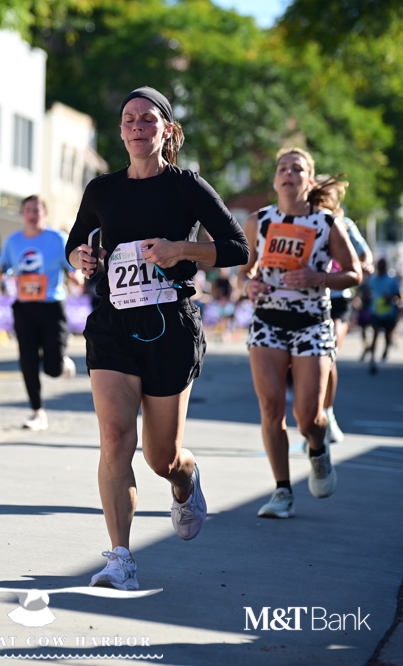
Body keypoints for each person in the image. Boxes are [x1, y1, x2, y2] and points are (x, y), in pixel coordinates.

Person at [66, 87, 249, 589]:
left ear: (167, 129)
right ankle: (120, 559)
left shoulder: (186, 186)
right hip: (113, 326)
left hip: (170, 327)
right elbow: (76, 242)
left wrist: (180, 249)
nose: (137, 126)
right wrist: (81, 257)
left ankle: (185, 480)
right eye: (129, 119)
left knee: (160, 457)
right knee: (114, 439)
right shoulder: (101, 190)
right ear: (120, 130)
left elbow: (238, 248)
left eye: (148, 118)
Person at [242, 147, 363, 520]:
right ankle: (282, 491)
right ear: (275, 180)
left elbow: (355, 273)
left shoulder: (326, 223)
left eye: (297, 168)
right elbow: (244, 270)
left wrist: (318, 277)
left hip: (312, 323)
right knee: (270, 408)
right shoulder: (259, 221)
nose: (288, 173)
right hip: (268, 322)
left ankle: (318, 448)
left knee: (308, 416)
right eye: (283, 168)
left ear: (308, 181)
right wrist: (248, 284)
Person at [299, 176, 372, 451]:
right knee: (310, 363)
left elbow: (365, 255)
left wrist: (364, 265)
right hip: (308, 299)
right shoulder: (300, 222)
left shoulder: (343, 224)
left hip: (338, 299)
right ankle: (314, 420)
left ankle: (326, 413)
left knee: (328, 355)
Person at [0, 195, 76, 431]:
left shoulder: (57, 238)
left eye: (37, 209)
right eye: (28, 209)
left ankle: (60, 362)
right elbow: (1, 266)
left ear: (44, 213)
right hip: (24, 307)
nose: (32, 214)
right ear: (22, 214)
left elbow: (73, 266)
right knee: (27, 360)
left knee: (53, 369)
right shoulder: (13, 241)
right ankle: (37, 411)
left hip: (51, 306)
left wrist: (76, 274)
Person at [361, 257, 402, 374]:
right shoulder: (372, 279)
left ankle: (386, 350)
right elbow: (365, 292)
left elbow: (398, 295)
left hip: (389, 313)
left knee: (387, 335)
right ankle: (373, 358)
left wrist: (390, 297)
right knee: (375, 333)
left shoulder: (392, 280)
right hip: (376, 312)